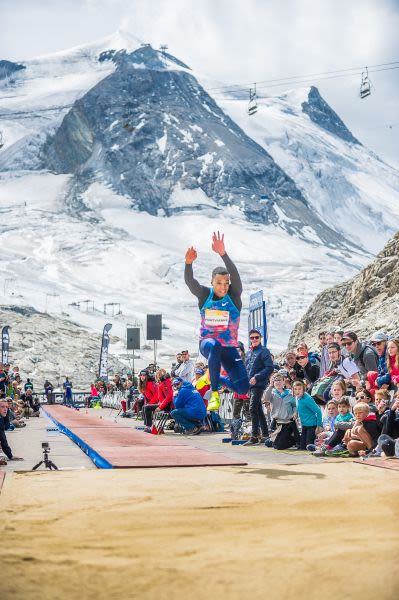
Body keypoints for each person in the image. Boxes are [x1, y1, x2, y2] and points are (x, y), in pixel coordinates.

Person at [184, 231, 249, 411]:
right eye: (219, 283)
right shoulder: (205, 295)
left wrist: (223, 254)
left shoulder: (234, 297)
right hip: (207, 344)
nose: (223, 287)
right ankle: (214, 393)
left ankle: (213, 377)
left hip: (228, 348)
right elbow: (190, 282)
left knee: (243, 387)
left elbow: (235, 276)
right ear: (212, 282)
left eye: (226, 283)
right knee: (214, 345)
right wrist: (188, 263)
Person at [243, 329, 274, 446]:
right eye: (252, 338)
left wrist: (257, 376)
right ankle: (265, 434)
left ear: (260, 338)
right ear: (250, 339)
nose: (254, 339)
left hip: (259, 384)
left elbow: (269, 367)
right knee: (258, 409)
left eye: (256, 337)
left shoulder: (264, 351)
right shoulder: (249, 352)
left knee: (252, 408)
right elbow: (246, 371)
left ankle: (254, 436)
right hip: (251, 385)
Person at [263, 372, 299, 450]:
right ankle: (280, 439)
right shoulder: (272, 392)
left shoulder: (289, 393)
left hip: (288, 423)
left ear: (283, 381)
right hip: (277, 423)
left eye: (279, 380)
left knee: (278, 446)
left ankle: (293, 440)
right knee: (268, 443)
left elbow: (294, 405)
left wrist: (295, 412)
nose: (278, 382)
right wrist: (270, 385)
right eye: (275, 380)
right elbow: (266, 398)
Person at [292, 380, 322, 450]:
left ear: (303, 389)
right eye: (295, 389)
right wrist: (296, 412)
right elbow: (298, 406)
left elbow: (319, 412)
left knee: (308, 447)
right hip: (304, 425)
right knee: (302, 447)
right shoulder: (297, 397)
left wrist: (319, 426)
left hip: (312, 426)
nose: (297, 391)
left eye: (299, 389)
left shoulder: (308, 399)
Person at [0, 399, 24, 465]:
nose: (5, 409)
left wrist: (10, 456)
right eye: (2, 407)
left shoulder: (2, 417)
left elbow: (3, 438)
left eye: (7, 407)